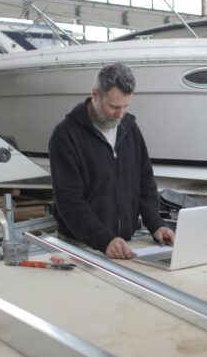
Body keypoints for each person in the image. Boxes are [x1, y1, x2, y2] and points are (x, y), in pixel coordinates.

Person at [48, 62, 175, 259]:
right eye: (114, 107)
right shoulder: (65, 135)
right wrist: (104, 239)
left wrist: (156, 224)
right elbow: (69, 201)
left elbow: (146, 183)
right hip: (81, 246)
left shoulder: (130, 129)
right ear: (95, 95)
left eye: (126, 106)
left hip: (124, 244)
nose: (121, 114)